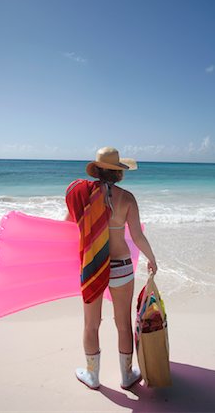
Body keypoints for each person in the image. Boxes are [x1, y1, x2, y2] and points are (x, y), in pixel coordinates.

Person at [65, 146, 157, 390]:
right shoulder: (127, 198)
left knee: (91, 324)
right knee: (123, 323)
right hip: (122, 267)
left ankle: (92, 376)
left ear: (97, 170)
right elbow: (137, 236)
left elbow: (67, 227)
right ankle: (126, 376)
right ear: (118, 173)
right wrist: (152, 258)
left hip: (92, 264)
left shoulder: (83, 196)